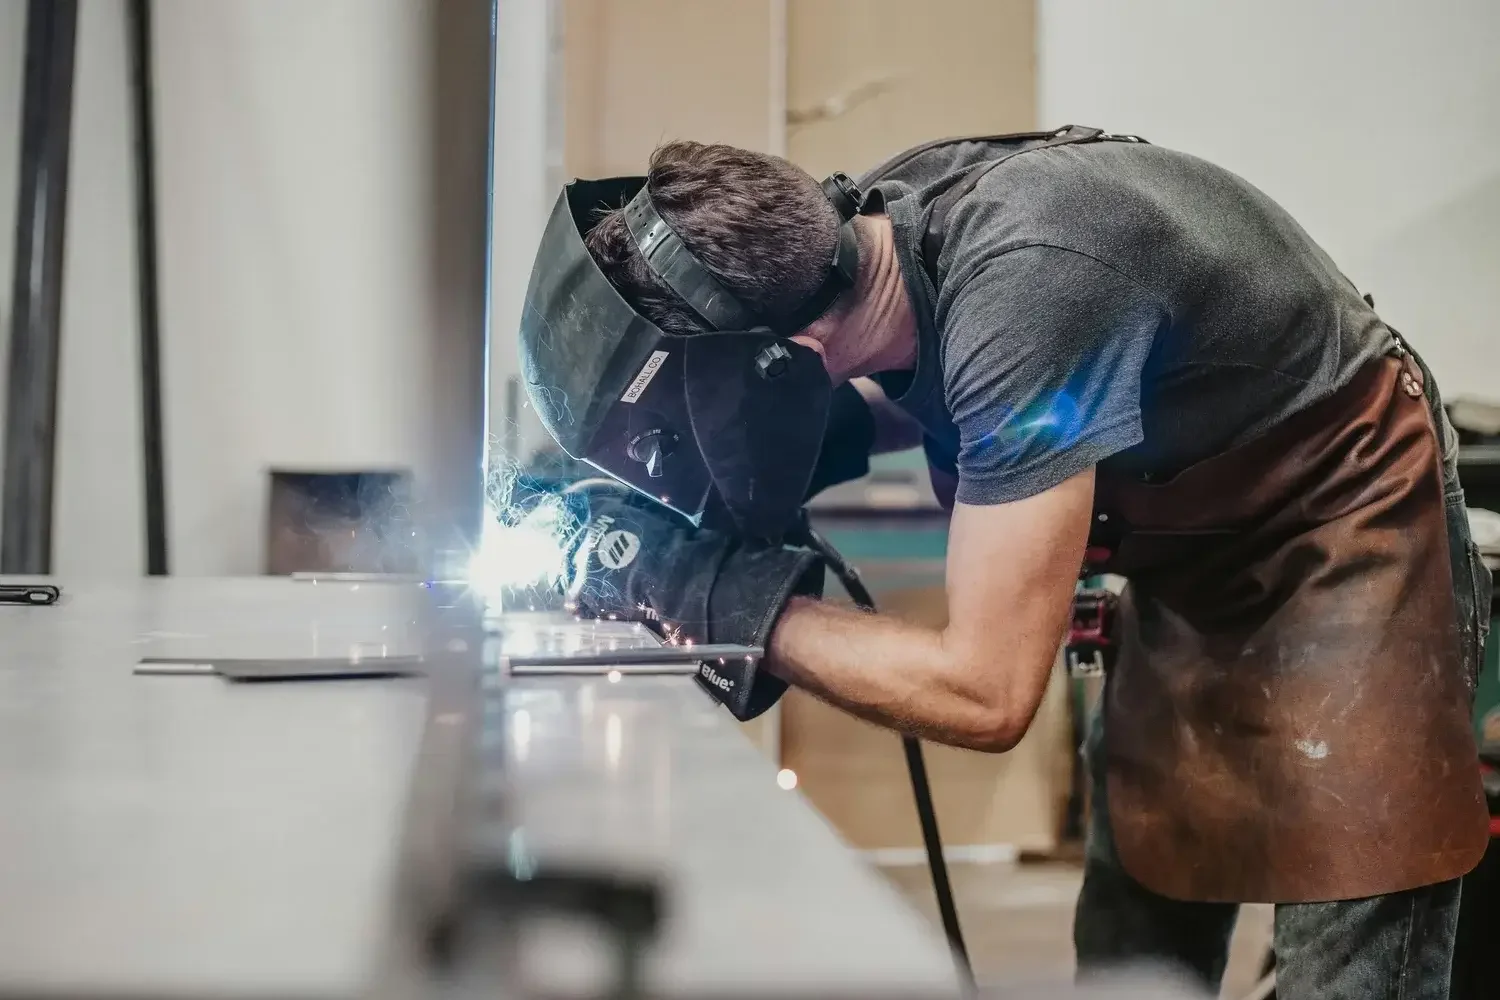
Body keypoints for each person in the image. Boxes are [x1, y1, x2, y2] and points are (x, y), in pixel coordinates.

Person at [518, 128, 1493, 999]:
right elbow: (953, 390)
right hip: (1192, 559)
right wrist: (716, 481)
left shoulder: (1027, 285)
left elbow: (985, 691)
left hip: (1346, 522)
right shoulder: (886, 239)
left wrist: (719, 593)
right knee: (1136, 931)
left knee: (1352, 959)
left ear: (789, 352)